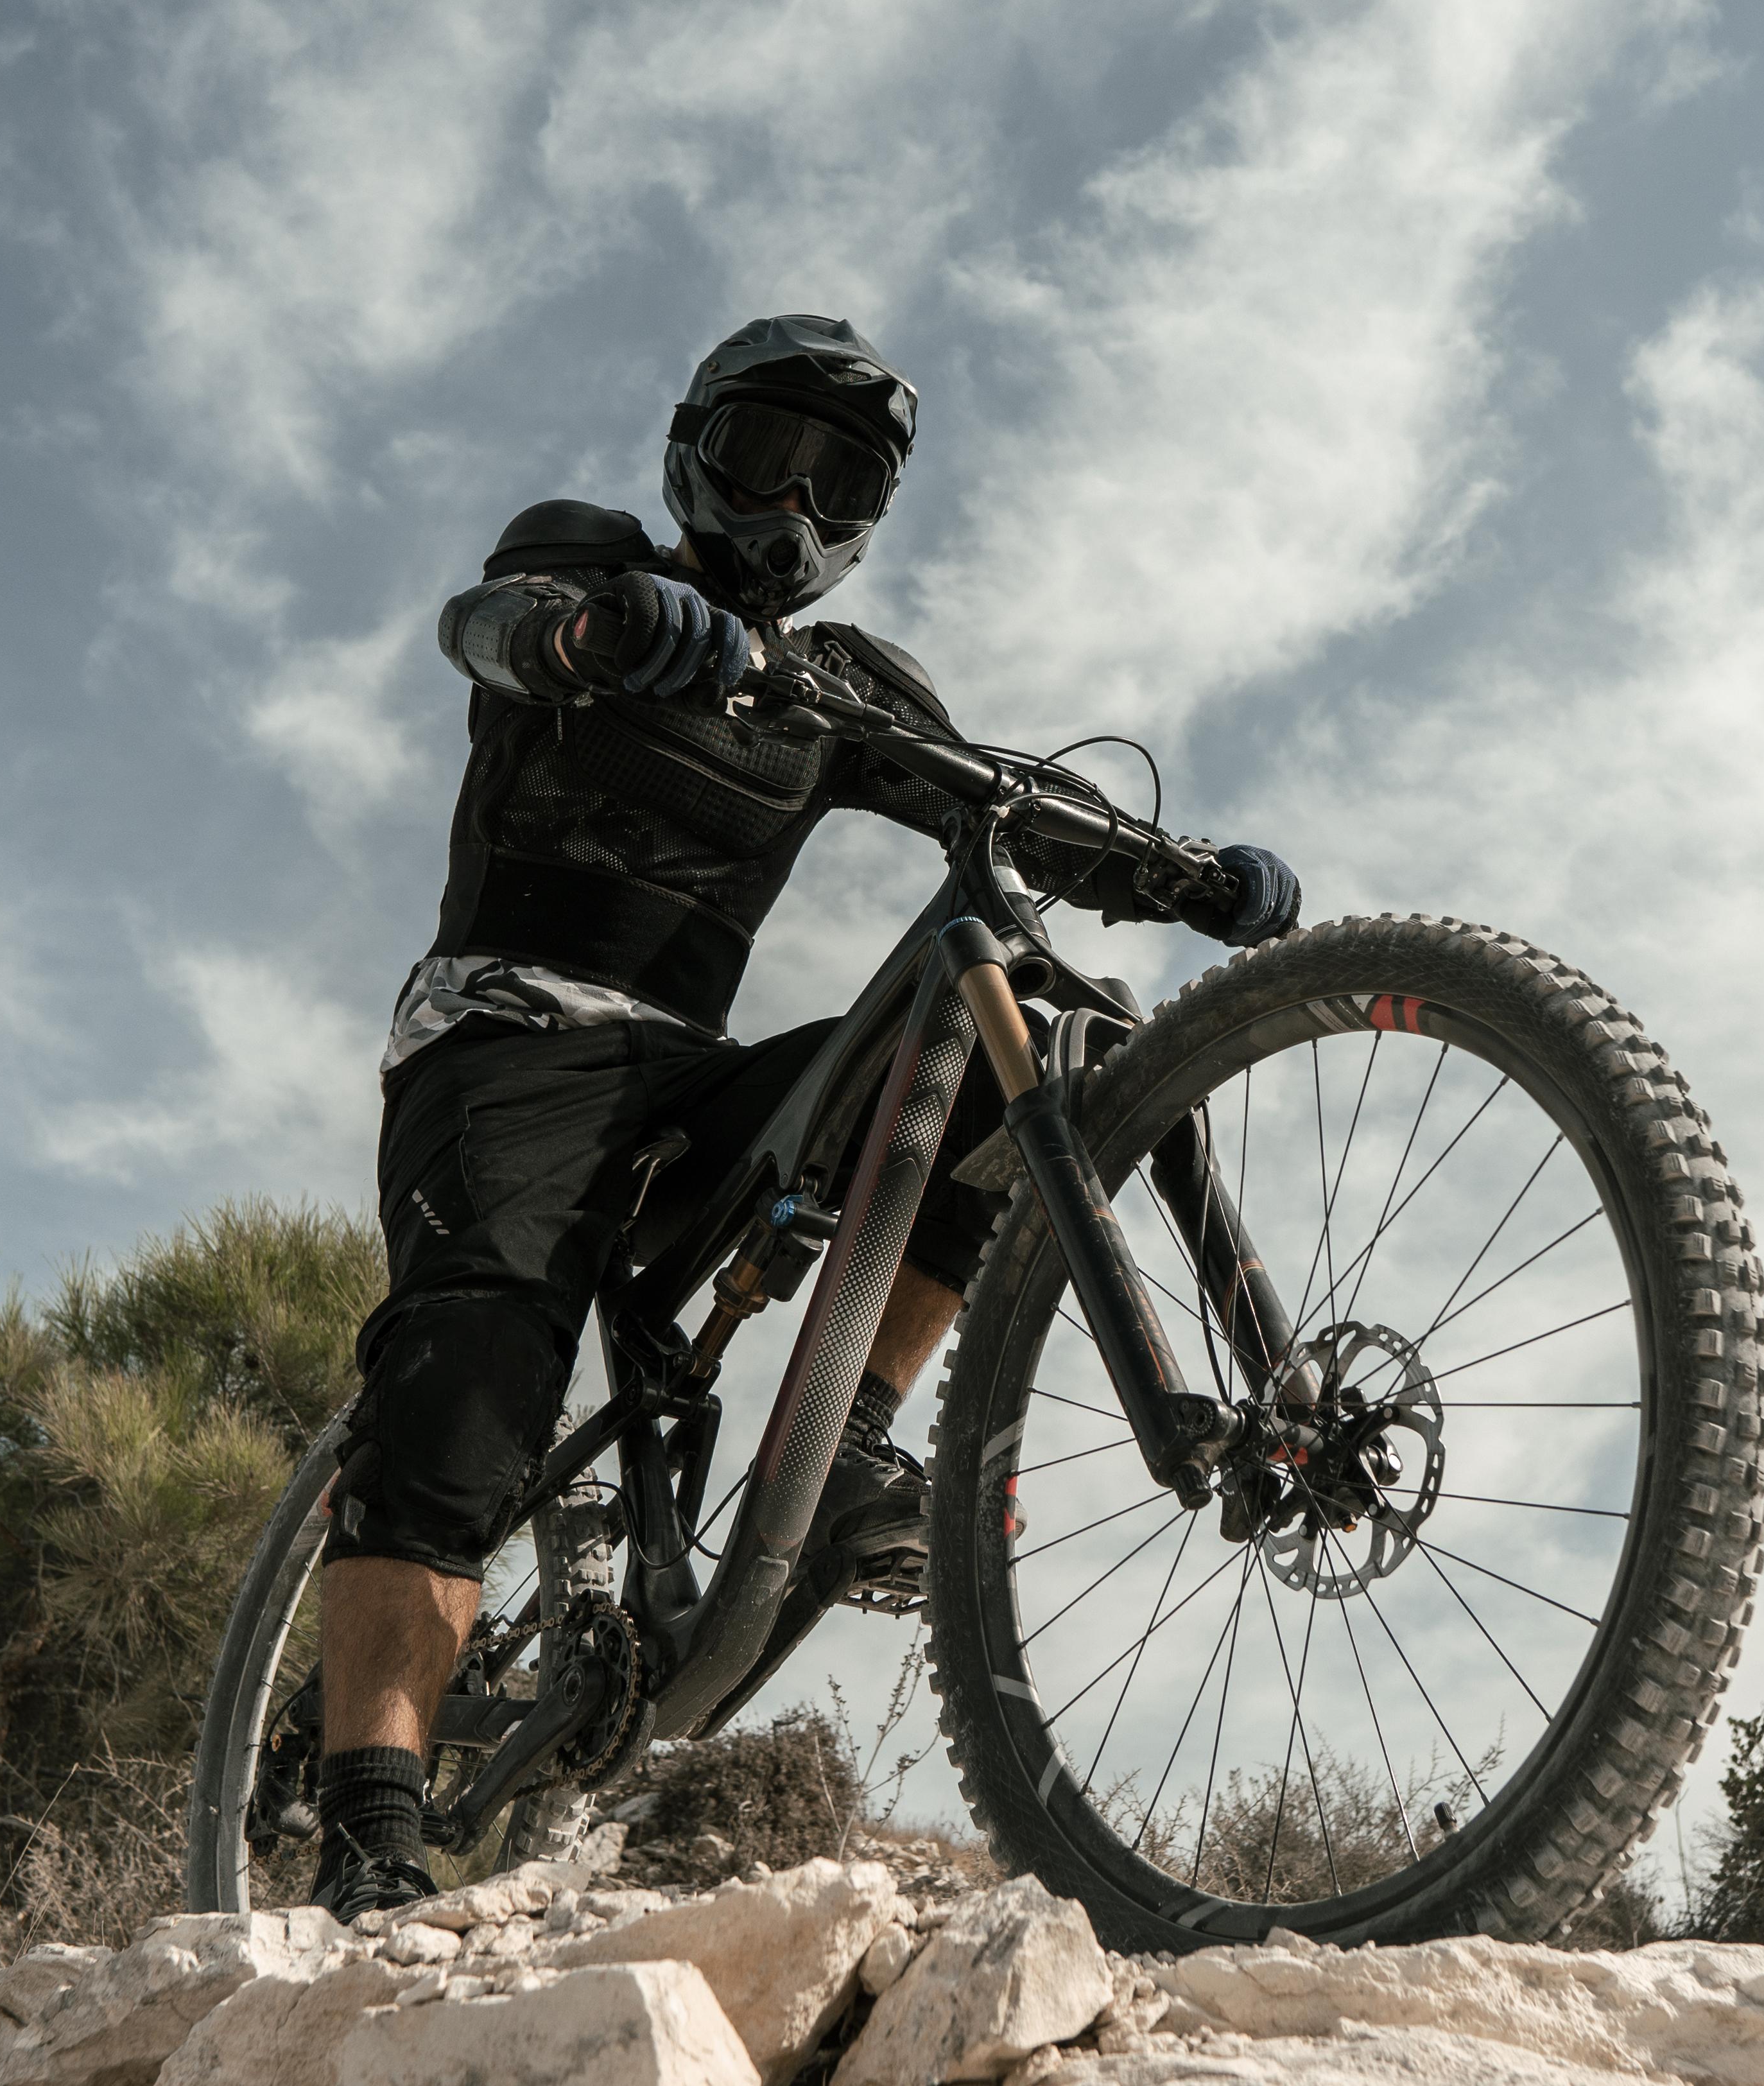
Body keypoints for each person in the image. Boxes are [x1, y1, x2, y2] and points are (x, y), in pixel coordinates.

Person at [309, 314, 1304, 1917]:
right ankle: (367, 1829)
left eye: (836, 480)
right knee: (468, 1381)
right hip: (504, 1045)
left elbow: (996, 799)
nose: (791, 502)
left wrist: (1173, 875)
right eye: (766, 455)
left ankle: (849, 1438)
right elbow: (489, 628)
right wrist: (599, 631)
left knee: (982, 1039)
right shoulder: (588, 556)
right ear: (692, 451)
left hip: (689, 1078)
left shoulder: (838, 685)